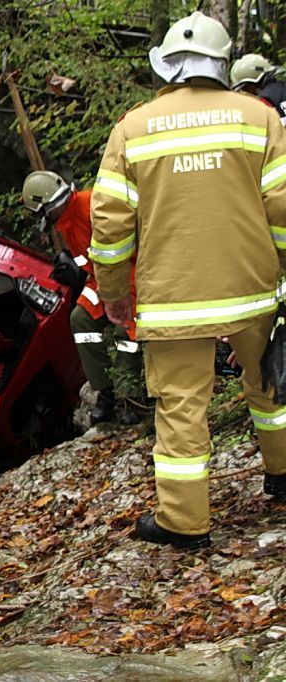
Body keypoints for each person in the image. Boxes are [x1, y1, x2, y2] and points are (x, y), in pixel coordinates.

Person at [91, 11, 286, 550]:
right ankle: (282, 473)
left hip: (174, 297)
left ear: (168, 66)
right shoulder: (259, 117)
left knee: (180, 404)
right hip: (252, 287)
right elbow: (283, 207)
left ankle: (184, 521)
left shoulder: (133, 127)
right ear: (222, 63)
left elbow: (109, 225)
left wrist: (115, 295)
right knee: (270, 382)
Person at [22, 170, 143, 425]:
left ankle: (130, 397)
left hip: (132, 278)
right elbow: (90, 262)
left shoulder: (92, 205)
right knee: (80, 319)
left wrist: (116, 293)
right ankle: (105, 392)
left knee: (125, 331)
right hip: (103, 282)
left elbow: (125, 249)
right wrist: (76, 274)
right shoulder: (66, 222)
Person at [230, 53, 286, 124]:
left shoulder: (265, 102)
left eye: (244, 88)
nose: (245, 92)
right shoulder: (282, 88)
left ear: (251, 84)